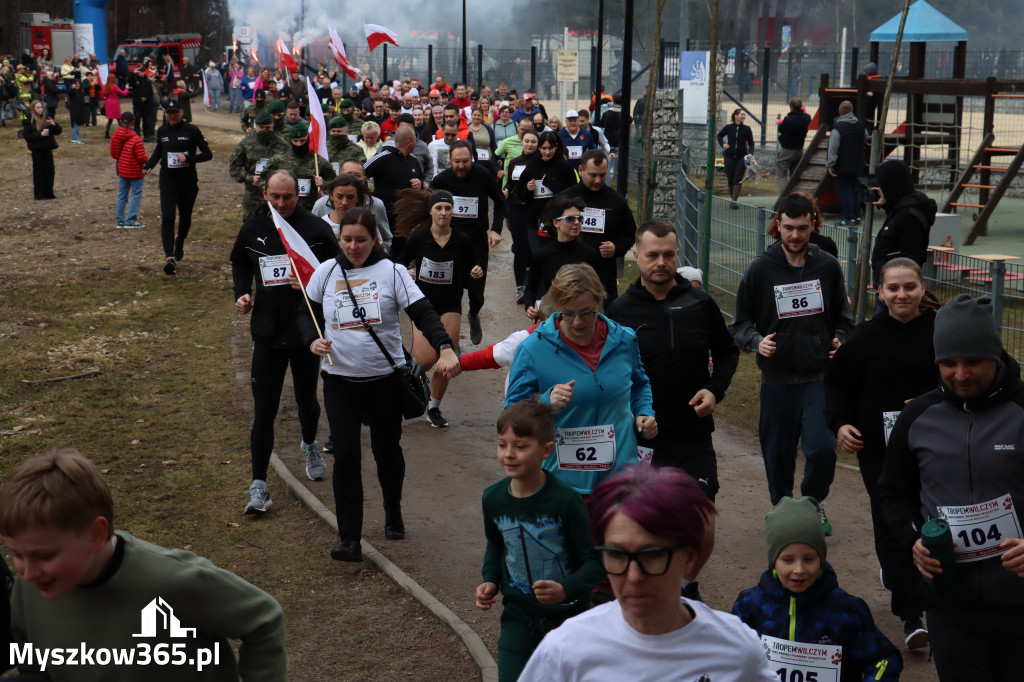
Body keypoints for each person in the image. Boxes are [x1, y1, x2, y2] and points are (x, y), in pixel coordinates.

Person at [0, 448, 286, 681]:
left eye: (46, 556)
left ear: (95, 534)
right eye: (17, 554)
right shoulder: (30, 588)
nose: (27, 571)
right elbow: (35, 664)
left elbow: (263, 619)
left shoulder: (170, 580)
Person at [301, 207, 461, 562]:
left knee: (386, 450)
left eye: (361, 240)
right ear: (338, 238)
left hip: (384, 381)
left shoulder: (392, 272)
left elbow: (424, 313)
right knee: (346, 454)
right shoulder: (325, 273)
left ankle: (393, 510)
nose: (353, 247)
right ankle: (350, 539)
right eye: (346, 240)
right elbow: (306, 313)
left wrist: (445, 347)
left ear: (375, 239)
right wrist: (312, 340)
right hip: (340, 381)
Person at [879, 293, 1024, 682]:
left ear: (995, 355)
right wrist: (914, 538)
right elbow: (892, 492)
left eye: (972, 362)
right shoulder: (917, 416)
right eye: (948, 363)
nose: (960, 374)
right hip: (950, 604)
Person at [518, 466, 776, 682]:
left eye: (652, 555)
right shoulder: (566, 651)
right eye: (617, 555)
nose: (633, 577)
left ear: (689, 556)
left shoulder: (737, 650)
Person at [824, 257, 936, 649]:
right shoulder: (862, 339)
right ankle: (911, 612)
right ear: (879, 292)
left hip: (938, 450)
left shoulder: (941, 334)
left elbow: (963, 379)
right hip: (881, 454)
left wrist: (928, 402)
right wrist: (840, 424)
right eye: (894, 288)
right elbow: (837, 388)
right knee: (894, 525)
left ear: (923, 288)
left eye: (910, 286)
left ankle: (942, 598)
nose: (902, 294)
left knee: (935, 520)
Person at [729, 192, 854, 532]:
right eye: (788, 228)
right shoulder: (760, 269)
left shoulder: (827, 265)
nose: (795, 236)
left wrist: (840, 340)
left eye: (802, 228)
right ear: (777, 225)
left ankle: (813, 503)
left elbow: (845, 319)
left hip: (818, 378)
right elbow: (739, 325)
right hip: (777, 380)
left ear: (813, 225)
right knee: (778, 458)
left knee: (823, 449)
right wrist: (757, 342)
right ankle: (783, 510)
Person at [231, 169, 339, 514]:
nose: (281, 203)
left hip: (304, 335)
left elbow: (338, 270)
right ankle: (258, 485)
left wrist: (311, 281)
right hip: (267, 332)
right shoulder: (254, 226)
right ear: (265, 194)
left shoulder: (315, 229)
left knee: (307, 400)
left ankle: (309, 443)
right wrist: (242, 294)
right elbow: (239, 262)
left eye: (288, 197)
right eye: (275, 197)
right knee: (264, 410)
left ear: (299, 194)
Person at [607, 219, 739, 502]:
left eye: (668, 255)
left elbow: (728, 351)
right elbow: (606, 374)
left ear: (677, 254)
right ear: (637, 256)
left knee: (698, 525)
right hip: (639, 440)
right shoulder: (618, 313)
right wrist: (629, 413)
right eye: (653, 255)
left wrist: (714, 390)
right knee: (645, 528)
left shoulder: (700, 304)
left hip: (693, 436)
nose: (661, 262)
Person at [476, 397, 605, 682]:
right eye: (502, 444)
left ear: (546, 450)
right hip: (519, 618)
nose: (509, 454)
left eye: (520, 446)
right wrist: (491, 580)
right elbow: (496, 543)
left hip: (569, 619)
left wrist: (566, 589)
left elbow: (595, 562)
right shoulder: (493, 498)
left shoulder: (566, 501)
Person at [505, 263, 655, 496]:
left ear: (599, 303)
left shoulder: (625, 340)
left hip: (620, 482)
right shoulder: (533, 349)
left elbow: (640, 384)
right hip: (562, 486)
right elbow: (510, 416)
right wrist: (545, 403)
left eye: (587, 312)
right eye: (568, 313)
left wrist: (644, 412)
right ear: (557, 307)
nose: (577, 322)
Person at [732, 496, 903, 681]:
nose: (799, 570)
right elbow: (728, 658)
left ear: (821, 559)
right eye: (788, 560)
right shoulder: (749, 606)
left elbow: (885, 659)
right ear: (773, 561)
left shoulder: (846, 610)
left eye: (809, 559)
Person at [393, 190, 484, 427]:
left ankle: (433, 408)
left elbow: (471, 267)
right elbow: (399, 265)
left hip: (451, 304)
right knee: (424, 359)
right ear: (431, 211)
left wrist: (475, 271)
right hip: (422, 304)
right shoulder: (418, 238)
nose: (443, 212)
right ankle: (398, 394)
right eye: (439, 208)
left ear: (453, 211)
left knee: (446, 360)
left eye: (447, 208)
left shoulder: (462, 240)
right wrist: (408, 272)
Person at [430, 140, 506, 345]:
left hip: (476, 243)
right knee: (449, 295)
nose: (461, 166)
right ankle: (449, 342)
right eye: (456, 162)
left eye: (465, 161)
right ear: (449, 160)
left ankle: (474, 314)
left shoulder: (482, 176)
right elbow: (426, 209)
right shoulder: (440, 180)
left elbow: (500, 202)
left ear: (472, 158)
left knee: (476, 293)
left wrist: (495, 230)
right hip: (449, 243)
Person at [555, 150, 636, 304]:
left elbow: (630, 234)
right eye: (593, 175)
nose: (598, 180)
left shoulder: (616, 201)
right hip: (567, 277)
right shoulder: (563, 200)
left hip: (604, 278)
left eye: (602, 175)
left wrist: (616, 248)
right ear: (581, 170)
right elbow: (547, 234)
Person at [143, 99, 213, 275]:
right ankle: (169, 257)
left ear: (181, 113)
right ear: (165, 114)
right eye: (169, 113)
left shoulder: (192, 130)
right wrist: (149, 164)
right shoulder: (162, 130)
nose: (172, 116)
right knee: (167, 217)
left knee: (185, 218)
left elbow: (207, 154)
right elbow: (160, 149)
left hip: (187, 181)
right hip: (168, 180)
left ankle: (180, 240)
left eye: (175, 113)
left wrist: (189, 158)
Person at [523, 196, 600, 317]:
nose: (576, 222)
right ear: (556, 223)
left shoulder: (590, 254)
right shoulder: (542, 255)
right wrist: (529, 306)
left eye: (579, 219)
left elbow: (599, 290)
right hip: (551, 317)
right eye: (570, 219)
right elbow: (531, 288)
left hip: (581, 318)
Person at [869, 159, 936, 293]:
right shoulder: (901, 210)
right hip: (887, 285)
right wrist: (887, 204)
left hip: (896, 289)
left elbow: (911, 255)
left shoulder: (909, 216)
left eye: (882, 185)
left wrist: (898, 288)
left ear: (891, 185)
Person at [517, 131, 579, 255]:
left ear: (556, 146)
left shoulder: (564, 166)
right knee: (538, 255)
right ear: (539, 148)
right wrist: (527, 188)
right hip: (535, 219)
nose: (547, 152)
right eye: (544, 148)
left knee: (557, 255)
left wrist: (553, 185)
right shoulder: (532, 165)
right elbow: (521, 195)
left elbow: (573, 194)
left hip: (558, 220)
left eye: (550, 148)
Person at [229, 111, 291, 219]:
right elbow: (234, 168)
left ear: (272, 126)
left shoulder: (283, 145)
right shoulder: (245, 144)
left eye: (267, 127)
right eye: (261, 127)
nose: (264, 130)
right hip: (253, 196)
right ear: (255, 126)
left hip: (277, 197)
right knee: (251, 226)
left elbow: (291, 167)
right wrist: (249, 178)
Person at [261, 124, 335, 213]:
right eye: (295, 141)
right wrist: (274, 191)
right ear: (290, 140)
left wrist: (323, 184)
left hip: (309, 209)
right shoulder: (278, 160)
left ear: (308, 139)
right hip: (283, 207)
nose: (299, 144)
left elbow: (334, 181)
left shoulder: (318, 161)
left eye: (302, 141)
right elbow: (262, 178)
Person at [503, 128, 540, 303]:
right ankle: (520, 288)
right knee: (519, 248)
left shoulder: (541, 162)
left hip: (534, 210)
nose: (530, 144)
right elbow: (510, 186)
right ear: (522, 142)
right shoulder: (514, 162)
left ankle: (533, 286)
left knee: (534, 249)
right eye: (527, 141)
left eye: (533, 142)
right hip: (516, 209)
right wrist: (506, 213)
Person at [826, 100, 867, 226]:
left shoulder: (838, 128)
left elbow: (833, 147)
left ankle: (849, 217)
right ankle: (856, 216)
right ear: (851, 110)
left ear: (840, 112)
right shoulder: (860, 124)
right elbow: (865, 137)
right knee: (854, 190)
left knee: (844, 191)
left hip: (842, 165)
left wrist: (830, 165)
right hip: (856, 163)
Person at [111, 112, 149, 228]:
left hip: (122, 170)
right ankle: (130, 220)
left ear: (121, 121)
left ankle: (120, 220)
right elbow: (141, 157)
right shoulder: (136, 139)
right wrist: (146, 162)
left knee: (122, 194)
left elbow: (113, 154)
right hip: (135, 171)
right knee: (136, 194)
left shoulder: (115, 136)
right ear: (134, 122)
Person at [23, 100, 61, 200]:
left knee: (50, 172)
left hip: (47, 149)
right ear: (33, 109)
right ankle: (39, 194)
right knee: (39, 172)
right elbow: (27, 135)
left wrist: (54, 125)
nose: (40, 110)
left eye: (41, 107)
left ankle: (49, 193)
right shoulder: (29, 120)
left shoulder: (47, 118)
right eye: (38, 108)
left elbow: (58, 131)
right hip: (37, 150)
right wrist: (40, 134)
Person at [716, 108, 755, 208]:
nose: (744, 116)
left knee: (738, 178)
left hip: (742, 157)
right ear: (735, 116)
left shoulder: (747, 129)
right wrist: (723, 144)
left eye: (744, 115)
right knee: (730, 179)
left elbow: (751, 143)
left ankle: (734, 201)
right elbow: (719, 136)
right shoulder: (729, 127)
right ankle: (732, 198)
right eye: (742, 114)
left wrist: (750, 153)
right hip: (729, 156)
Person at [776, 97, 811, 193]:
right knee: (795, 174)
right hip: (799, 149)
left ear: (791, 107)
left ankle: (784, 196)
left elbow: (781, 129)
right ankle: (795, 195)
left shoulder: (788, 119)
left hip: (787, 148)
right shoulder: (807, 118)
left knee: (781, 173)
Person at [66, 79, 87, 145]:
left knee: (77, 125)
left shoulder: (80, 92)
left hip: (80, 111)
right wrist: (72, 88)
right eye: (76, 84)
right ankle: (74, 139)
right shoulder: (73, 92)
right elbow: (70, 92)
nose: (77, 85)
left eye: (78, 84)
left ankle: (75, 138)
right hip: (75, 111)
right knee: (75, 125)